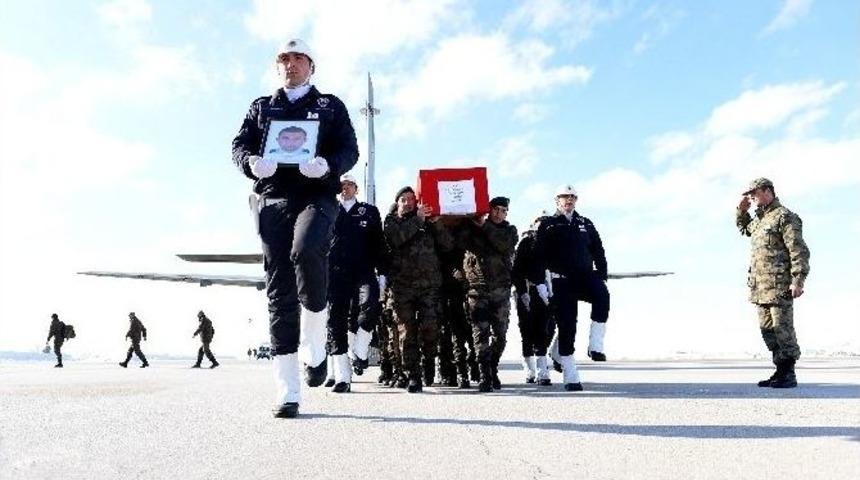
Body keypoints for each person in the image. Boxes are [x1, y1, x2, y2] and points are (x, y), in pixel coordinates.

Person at [232, 38, 358, 418]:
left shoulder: (330, 106)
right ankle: (288, 390)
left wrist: (328, 165)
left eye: (298, 58)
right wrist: (251, 162)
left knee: (306, 251)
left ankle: (316, 346)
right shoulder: (261, 108)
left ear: (311, 66)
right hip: (273, 200)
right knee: (279, 291)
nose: (291, 64)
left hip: (316, 196)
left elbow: (349, 149)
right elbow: (239, 145)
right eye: (284, 59)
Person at [532, 185, 610, 391]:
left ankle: (595, 346)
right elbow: (538, 255)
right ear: (556, 201)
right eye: (564, 197)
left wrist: (602, 273)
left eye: (572, 197)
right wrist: (540, 282)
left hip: (584, 277)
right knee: (568, 325)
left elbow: (598, 250)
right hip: (561, 282)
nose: (569, 201)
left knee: (602, 296)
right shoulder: (548, 225)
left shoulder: (586, 223)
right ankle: (570, 372)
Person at [736, 177, 810, 388]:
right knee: (768, 330)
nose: (751, 196)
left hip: (779, 285)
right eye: (749, 194)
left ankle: (789, 374)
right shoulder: (760, 219)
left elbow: (798, 251)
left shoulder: (785, 217)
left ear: (767, 191)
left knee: (782, 329)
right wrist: (742, 211)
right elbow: (745, 230)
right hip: (760, 287)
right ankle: (780, 371)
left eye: (754, 193)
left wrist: (798, 280)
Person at [383, 186, 453, 393]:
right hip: (402, 287)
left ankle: (428, 361)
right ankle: (413, 374)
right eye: (403, 199)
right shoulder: (391, 221)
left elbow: (448, 245)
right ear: (397, 203)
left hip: (429, 286)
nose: (407, 203)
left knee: (430, 329)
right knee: (407, 333)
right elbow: (396, 238)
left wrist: (437, 224)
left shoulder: (427, 221)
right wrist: (419, 220)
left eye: (411, 199)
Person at [323, 173, 385, 393]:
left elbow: (379, 242)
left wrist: (384, 271)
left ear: (356, 189)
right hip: (336, 273)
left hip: (363, 270)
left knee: (370, 306)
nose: (345, 188)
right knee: (336, 321)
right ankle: (342, 376)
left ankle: (359, 349)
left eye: (350, 185)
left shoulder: (368, 211)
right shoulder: (329, 209)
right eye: (342, 185)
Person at [455, 197, 518, 392]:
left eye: (503, 210)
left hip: (500, 291)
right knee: (480, 335)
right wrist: (469, 220)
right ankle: (485, 375)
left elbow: (503, 245)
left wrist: (485, 227)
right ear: (488, 210)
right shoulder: (473, 229)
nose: (498, 214)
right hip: (477, 291)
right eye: (495, 209)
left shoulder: (509, 231)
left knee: (500, 335)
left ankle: (492, 367)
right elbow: (459, 241)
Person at [512, 211, 553, 385]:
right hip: (528, 291)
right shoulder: (526, 243)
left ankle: (542, 368)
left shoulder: (554, 243)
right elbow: (517, 270)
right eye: (539, 221)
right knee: (527, 330)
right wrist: (523, 292)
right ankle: (532, 370)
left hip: (547, 292)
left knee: (546, 329)